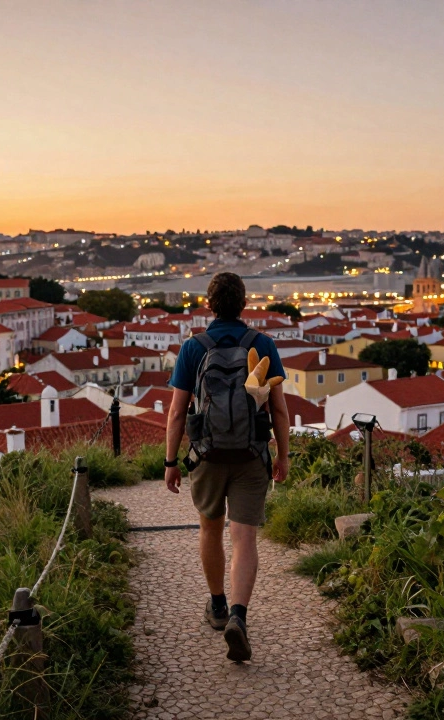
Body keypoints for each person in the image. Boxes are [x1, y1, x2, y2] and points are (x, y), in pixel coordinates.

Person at [164, 272, 290, 663]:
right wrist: (282, 456)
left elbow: (176, 413)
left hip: (207, 454)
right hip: (251, 454)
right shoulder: (263, 344)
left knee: (210, 529)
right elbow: (280, 410)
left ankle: (217, 606)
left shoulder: (193, 348)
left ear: (209, 305)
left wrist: (171, 462)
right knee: (245, 538)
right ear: (245, 304)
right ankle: (239, 616)